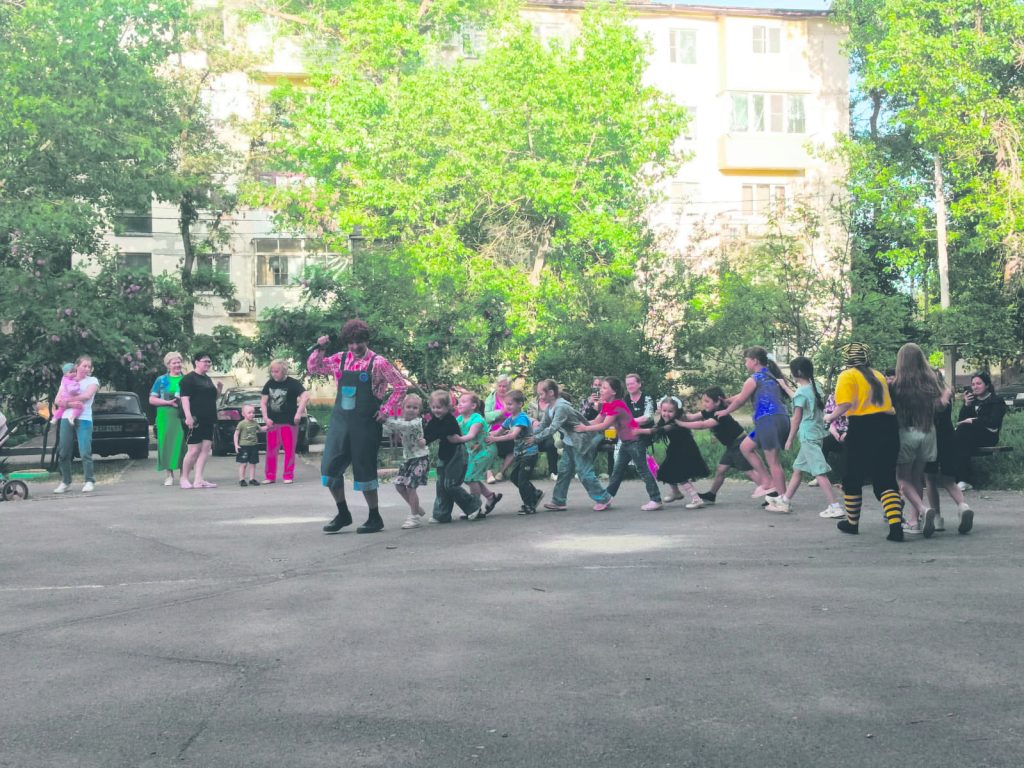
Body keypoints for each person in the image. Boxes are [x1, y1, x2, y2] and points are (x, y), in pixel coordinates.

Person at [309, 319, 408, 534]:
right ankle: (343, 513)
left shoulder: (378, 362)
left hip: (365, 424)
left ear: (366, 340)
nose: (355, 347)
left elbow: (400, 386)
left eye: (359, 343)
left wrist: (386, 410)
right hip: (340, 422)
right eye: (351, 343)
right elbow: (314, 368)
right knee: (330, 468)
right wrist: (320, 348)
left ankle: (374, 517)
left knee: (364, 469)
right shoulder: (340, 359)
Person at [823, 342, 905, 542]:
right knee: (885, 478)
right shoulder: (878, 375)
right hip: (888, 427)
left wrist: (829, 417)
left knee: (852, 476)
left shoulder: (847, 375)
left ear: (847, 359)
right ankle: (895, 527)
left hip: (862, 428)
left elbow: (845, 404)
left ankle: (852, 524)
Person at [715, 347, 792, 512]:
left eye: (746, 360)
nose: (745, 363)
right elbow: (741, 395)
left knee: (774, 462)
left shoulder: (753, 379)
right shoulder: (770, 375)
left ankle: (782, 500)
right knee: (745, 447)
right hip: (778, 418)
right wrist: (727, 400)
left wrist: (725, 411)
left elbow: (740, 401)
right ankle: (767, 482)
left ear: (755, 361)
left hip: (768, 420)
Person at [575, 377, 663, 511]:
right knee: (617, 471)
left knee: (643, 470)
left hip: (635, 441)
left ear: (614, 392)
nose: (601, 390)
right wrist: (579, 424)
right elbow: (596, 421)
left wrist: (584, 429)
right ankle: (606, 498)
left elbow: (604, 425)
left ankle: (656, 500)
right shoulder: (607, 404)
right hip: (626, 442)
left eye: (604, 388)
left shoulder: (617, 405)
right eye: (601, 387)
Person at [528, 379, 612, 512]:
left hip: (579, 443)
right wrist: (529, 434)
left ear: (551, 393)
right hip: (569, 444)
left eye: (541, 394)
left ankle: (603, 498)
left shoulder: (561, 407)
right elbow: (543, 425)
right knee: (564, 472)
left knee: (584, 473)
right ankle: (559, 501)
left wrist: (535, 439)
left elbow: (553, 428)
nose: (540, 397)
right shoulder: (551, 407)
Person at [890, 343, 945, 536]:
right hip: (928, 432)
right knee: (917, 478)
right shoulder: (931, 382)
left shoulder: (896, 385)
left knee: (902, 478)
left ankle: (923, 510)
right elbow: (940, 406)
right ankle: (914, 522)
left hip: (906, 433)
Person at [676, 387, 761, 505]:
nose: (704, 404)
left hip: (739, 443)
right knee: (721, 469)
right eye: (703, 401)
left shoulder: (720, 414)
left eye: (707, 401)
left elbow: (703, 425)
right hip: (731, 445)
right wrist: (676, 414)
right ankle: (711, 495)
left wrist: (681, 424)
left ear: (717, 402)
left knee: (748, 471)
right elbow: (691, 417)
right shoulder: (708, 412)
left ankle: (771, 493)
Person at [782, 357, 840, 517]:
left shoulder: (802, 392)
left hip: (808, 435)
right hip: (817, 433)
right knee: (798, 468)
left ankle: (835, 506)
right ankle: (785, 501)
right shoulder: (815, 387)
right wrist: (785, 387)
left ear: (798, 372)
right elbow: (798, 397)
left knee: (819, 471)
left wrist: (789, 439)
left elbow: (796, 418)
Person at [925, 368, 974, 535]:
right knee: (949, 480)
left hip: (931, 440)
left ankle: (937, 518)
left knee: (930, 479)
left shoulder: (925, 396)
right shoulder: (946, 392)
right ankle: (963, 506)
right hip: (949, 438)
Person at [637, 397, 709, 509]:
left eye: (670, 411)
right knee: (666, 470)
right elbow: (656, 428)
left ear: (677, 412)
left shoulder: (676, 422)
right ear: (660, 410)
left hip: (685, 449)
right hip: (675, 448)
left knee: (680, 475)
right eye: (664, 410)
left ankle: (696, 499)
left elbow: (658, 430)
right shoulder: (663, 420)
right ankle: (676, 493)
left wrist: (638, 431)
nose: (666, 414)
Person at [425, 390, 482, 522]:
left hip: (457, 453)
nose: (436, 410)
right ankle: (441, 514)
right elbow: (429, 432)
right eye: (433, 407)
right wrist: (423, 440)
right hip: (444, 453)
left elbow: (441, 432)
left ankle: (473, 506)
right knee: (441, 484)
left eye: (439, 407)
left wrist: (427, 439)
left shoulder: (450, 420)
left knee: (450, 484)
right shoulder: (435, 420)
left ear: (447, 407)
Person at [486, 389, 544, 514]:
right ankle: (535, 493)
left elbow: (513, 435)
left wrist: (495, 439)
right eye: (506, 404)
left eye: (510, 404)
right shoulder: (510, 419)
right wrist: (485, 435)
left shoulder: (521, 417)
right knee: (514, 477)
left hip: (529, 453)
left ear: (520, 404)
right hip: (520, 453)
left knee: (522, 481)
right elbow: (497, 432)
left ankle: (529, 505)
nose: (507, 406)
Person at [382, 394, 431, 529]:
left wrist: (384, 420)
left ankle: (414, 517)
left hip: (420, 458)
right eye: (408, 407)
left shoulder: (416, 423)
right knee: (399, 485)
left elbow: (401, 426)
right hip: (408, 458)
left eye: (415, 408)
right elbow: (388, 429)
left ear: (419, 410)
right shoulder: (402, 421)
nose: (411, 410)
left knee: (410, 486)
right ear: (403, 408)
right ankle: (416, 508)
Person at [449, 392, 502, 517]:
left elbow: (471, 435)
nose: (459, 404)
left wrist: (457, 439)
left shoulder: (477, 419)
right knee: (470, 478)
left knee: (471, 478)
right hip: (473, 452)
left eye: (463, 402)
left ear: (473, 406)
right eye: (459, 402)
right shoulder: (459, 419)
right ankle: (490, 496)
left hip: (485, 451)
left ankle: (475, 507)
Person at [953, 371, 1007, 491]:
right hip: (969, 435)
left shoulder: (996, 401)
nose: (975, 387)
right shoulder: (972, 401)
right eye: (973, 384)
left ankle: (963, 479)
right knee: (956, 436)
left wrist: (973, 421)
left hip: (988, 435)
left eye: (979, 383)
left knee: (961, 435)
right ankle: (959, 479)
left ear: (987, 385)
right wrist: (967, 405)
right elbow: (961, 421)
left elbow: (993, 422)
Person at [53, 355, 100, 494]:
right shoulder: (66, 380)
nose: (87, 368)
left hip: (84, 418)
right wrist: (71, 403)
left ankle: (89, 480)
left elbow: (86, 396)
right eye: (84, 366)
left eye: (89, 366)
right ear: (77, 366)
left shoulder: (92, 380)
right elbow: (57, 400)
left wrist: (66, 401)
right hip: (66, 417)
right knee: (63, 452)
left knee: (85, 451)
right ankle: (66, 481)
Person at [260, 359, 310, 485]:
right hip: (273, 423)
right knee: (271, 451)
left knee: (289, 450)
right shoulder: (269, 383)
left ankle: (288, 475)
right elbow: (263, 402)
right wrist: (265, 417)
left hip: (289, 422)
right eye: (272, 371)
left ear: (284, 371)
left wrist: (298, 413)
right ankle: (270, 476)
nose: (274, 374)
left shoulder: (293, 383)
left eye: (276, 371)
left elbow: (305, 396)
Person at [179, 352, 223, 490]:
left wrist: (219, 389)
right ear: (196, 362)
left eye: (209, 361)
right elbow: (184, 399)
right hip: (194, 418)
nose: (208, 364)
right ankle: (184, 478)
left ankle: (199, 479)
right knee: (193, 450)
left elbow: (213, 398)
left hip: (208, 417)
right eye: (205, 361)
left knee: (206, 448)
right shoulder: (188, 379)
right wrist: (188, 416)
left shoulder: (207, 379)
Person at [149, 351, 186, 486]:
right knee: (166, 444)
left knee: (182, 444)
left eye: (179, 362)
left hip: (182, 416)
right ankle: (169, 475)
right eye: (174, 363)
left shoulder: (186, 379)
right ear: (168, 365)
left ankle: (183, 475)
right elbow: (152, 399)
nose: (177, 365)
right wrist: (167, 403)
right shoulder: (161, 380)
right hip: (165, 416)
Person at [580, 377, 615, 479]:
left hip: (607, 431)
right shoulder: (586, 401)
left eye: (600, 386)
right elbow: (583, 418)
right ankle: (584, 469)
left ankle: (588, 470)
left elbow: (606, 422)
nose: (598, 388)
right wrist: (590, 403)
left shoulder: (608, 401)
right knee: (583, 440)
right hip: (591, 431)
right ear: (591, 386)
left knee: (594, 442)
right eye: (595, 385)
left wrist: (600, 405)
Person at [484, 375, 514, 483]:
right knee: (488, 444)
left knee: (516, 447)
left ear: (509, 387)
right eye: (499, 386)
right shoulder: (490, 399)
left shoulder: (513, 398)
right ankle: (489, 474)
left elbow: (517, 416)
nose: (502, 388)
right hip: (493, 430)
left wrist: (511, 428)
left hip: (508, 431)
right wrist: (502, 412)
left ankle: (501, 472)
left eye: (504, 386)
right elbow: (488, 417)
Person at [234, 405, 264, 487]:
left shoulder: (255, 423)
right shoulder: (241, 424)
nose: (252, 414)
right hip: (244, 447)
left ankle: (252, 479)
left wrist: (269, 425)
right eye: (249, 413)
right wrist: (236, 445)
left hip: (254, 446)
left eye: (253, 413)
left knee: (253, 463)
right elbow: (236, 434)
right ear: (243, 414)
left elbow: (261, 429)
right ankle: (242, 479)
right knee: (243, 464)